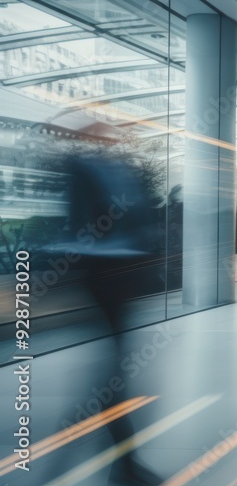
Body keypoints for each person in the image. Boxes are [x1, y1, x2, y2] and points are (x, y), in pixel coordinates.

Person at [62, 127, 162, 485]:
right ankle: (125, 464)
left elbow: (138, 218)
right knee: (114, 371)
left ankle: (122, 460)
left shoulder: (122, 169)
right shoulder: (81, 167)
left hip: (124, 273)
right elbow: (80, 222)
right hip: (103, 275)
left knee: (115, 368)